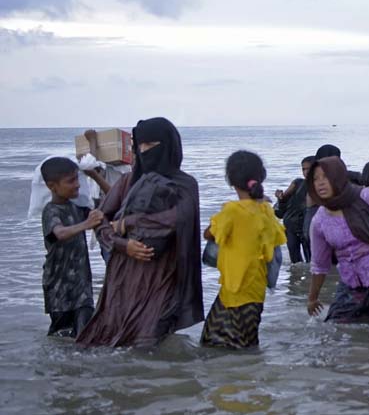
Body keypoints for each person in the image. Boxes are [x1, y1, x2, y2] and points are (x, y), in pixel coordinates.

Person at [78, 117, 204, 348]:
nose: (145, 151)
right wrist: (122, 244)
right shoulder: (128, 182)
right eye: (141, 146)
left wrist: (130, 222)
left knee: (150, 336)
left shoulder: (185, 184)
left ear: (168, 146)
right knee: (116, 337)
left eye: (151, 146)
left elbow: (179, 218)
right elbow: (100, 220)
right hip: (124, 275)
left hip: (163, 274)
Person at [306, 156, 369, 322]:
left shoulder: (367, 197)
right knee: (335, 326)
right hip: (352, 285)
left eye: (325, 177)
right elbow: (319, 265)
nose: (320, 183)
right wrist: (312, 298)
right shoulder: (319, 221)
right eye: (315, 179)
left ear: (338, 177)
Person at [201, 151, 286, 349]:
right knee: (246, 342)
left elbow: (209, 234)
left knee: (215, 345)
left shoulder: (233, 211)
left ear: (231, 180)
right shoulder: (266, 209)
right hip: (255, 288)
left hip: (235, 289)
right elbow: (275, 239)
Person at [40, 157, 104, 337]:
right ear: (52, 186)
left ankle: (84, 365)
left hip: (82, 285)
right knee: (61, 337)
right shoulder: (51, 210)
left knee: (85, 335)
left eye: (77, 179)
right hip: (59, 287)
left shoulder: (78, 208)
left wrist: (95, 176)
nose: (77, 185)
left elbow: (111, 201)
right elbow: (58, 233)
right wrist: (86, 224)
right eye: (70, 181)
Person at [275, 156, 315, 263]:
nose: (306, 172)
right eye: (303, 169)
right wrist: (280, 196)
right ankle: (297, 277)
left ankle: (306, 277)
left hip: (306, 228)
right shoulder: (297, 183)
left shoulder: (319, 187)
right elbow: (283, 197)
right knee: (295, 259)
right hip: (291, 226)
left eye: (309, 169)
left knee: (310, 259)